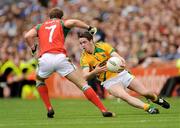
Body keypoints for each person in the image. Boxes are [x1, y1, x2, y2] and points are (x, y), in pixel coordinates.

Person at [24, 7, 114, 118]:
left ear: (49, 17)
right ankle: (103, 109)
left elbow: (27, 36)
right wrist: (89, 27)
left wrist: (33, 48)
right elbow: (74, 22)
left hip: (45, 58)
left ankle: (49, 108)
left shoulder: (40, 26)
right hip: (60, 58)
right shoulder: (61, 23)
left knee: (39, 80)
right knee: (83, 84)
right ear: (61, 17)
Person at [78, 31, 170, 114]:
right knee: (125, 96)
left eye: (84, 42)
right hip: (109, 82)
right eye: (80, 43)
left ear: (91, 41)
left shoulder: (103, 46)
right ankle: (148, 108)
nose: (82, 45)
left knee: (145, 92)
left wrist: (121, 59)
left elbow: (115, 55)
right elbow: (85, 76)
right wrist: (95, 71)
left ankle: (156, 99)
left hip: (121, 74)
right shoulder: (84, 58)